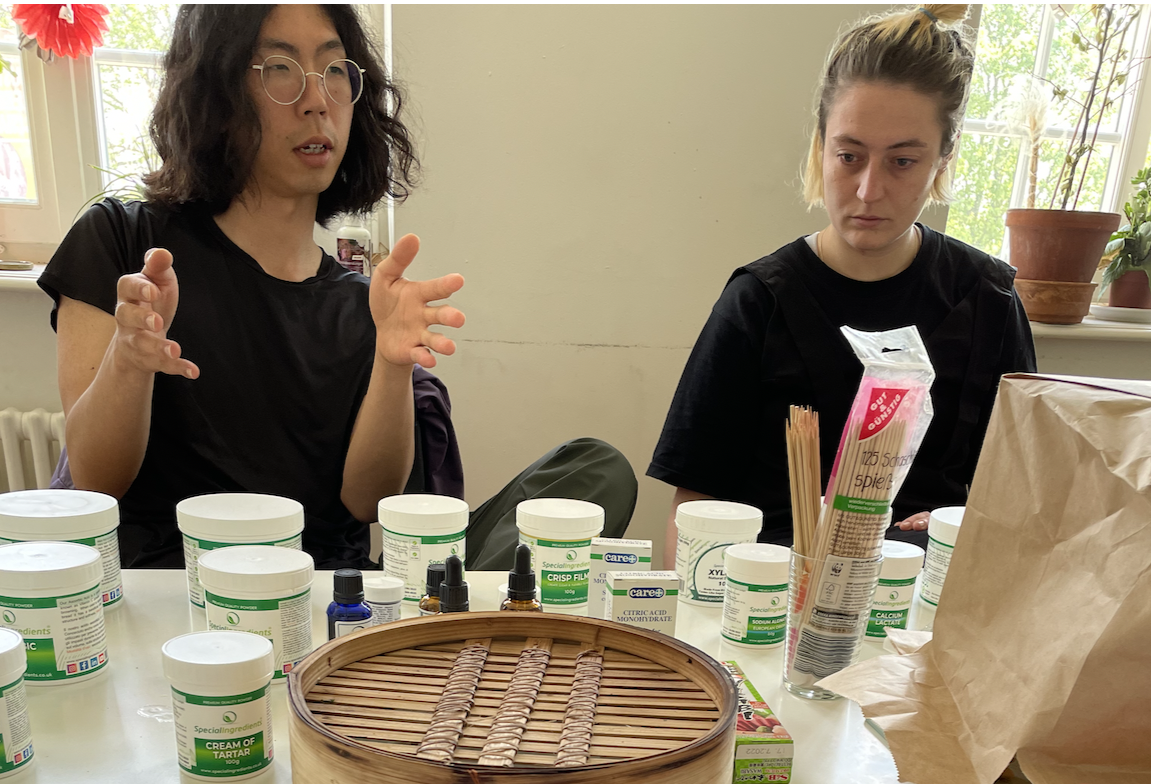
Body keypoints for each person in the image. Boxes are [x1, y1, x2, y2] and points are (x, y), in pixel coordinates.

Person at [39, 5, 636, 571]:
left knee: (594, 470)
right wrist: (130, 360)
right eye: (280, 70)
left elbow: (366, 502)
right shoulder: (127, 244)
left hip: (324, 600)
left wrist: (391, 363)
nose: (317, 101)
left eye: (333, 70)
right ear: (216, 90)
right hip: (172, 595)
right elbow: (94, 481)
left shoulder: (357, 303)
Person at [648, 4, 1036, 566]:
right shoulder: (759, 302)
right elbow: (696, 510)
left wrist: (969, 524)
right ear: (820, 146)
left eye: (903, 161)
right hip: (769, 614)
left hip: (935, 618)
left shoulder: (988, 300)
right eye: (849, 156)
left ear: (943, 160)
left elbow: (1027, 496)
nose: (868, 189)